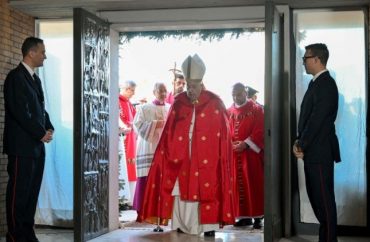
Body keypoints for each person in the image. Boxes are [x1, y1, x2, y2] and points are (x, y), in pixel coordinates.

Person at [137, 54, 235, 237]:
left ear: (202, 85)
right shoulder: (179, 101)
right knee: (180, 189)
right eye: (188, 86)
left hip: (208, 157)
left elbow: (223, 134)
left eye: (194, 86)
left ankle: (208, 226)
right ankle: (181, 224)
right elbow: (169, 132)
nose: (190, 90)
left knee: (207, 187)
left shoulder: (215, 102)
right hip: (180, 155)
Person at [3, 37, 54, 242]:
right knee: (19, 193)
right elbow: (20, 112)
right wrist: (39, 132)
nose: (45, 56)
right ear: (31, 53)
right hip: (21, 147)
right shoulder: (15, 77)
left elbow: (39, 109)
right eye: (42, 52)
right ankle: (15, 236)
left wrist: (49, 127)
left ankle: (27, 233)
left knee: (32, 193)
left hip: (35, 147)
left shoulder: (35, 78)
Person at [293, 43, 341, 242]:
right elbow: (309, 118)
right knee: (317, 200)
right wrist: (300, 142)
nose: (303, 62)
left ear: (317, 59)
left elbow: (317, 119)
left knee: (324, 202)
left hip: (320, 152)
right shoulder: (316, 83)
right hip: (313, 151)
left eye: (305, 58)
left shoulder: (326, 84)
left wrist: (301, 144)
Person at [228, 83, 264, 229]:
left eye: (239, 94)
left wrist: (246, 143)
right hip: (234, 154)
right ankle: (243, 217)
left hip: (251, 155)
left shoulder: (257, 110)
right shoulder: (228, 111)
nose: (236, 97)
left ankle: (257, 217)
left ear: (245, 92)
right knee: (236, 186)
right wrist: (229, 144)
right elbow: (224, 131)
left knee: (253, 184)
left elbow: (260, 130)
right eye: (234, 95)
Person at [132, 82, 170, 214]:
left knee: (163, 177)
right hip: (148, 146)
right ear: (154, 92)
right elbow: (136, 125)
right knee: (146, 176)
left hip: (165, 148)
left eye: (165, 91)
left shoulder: (170, 108)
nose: (163, 94)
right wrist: (155, 124)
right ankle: (143, 210)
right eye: (160, 91)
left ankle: (161, 210)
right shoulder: (144, 108)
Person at [119, 80, 138, 205]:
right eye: (132, 90)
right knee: (124, 167)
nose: (133, 93)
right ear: (127, 89)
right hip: (123, 138)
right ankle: (123, 198)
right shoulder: (117, 101)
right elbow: (119, 118)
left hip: (131, 137)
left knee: (131, 167)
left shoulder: (129, 103)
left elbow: (135, 118)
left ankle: (130, 199)